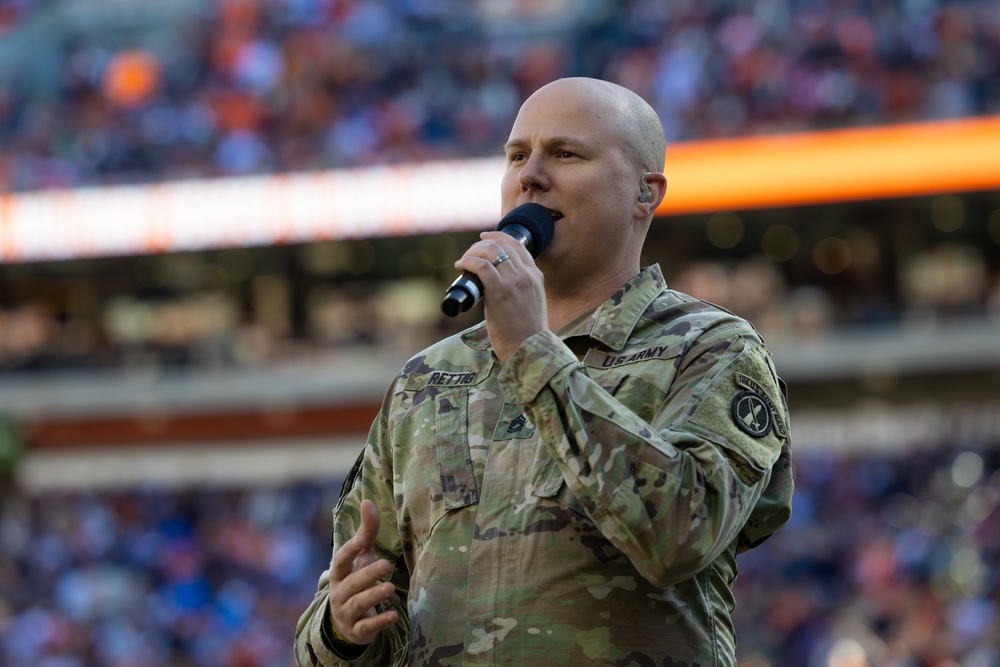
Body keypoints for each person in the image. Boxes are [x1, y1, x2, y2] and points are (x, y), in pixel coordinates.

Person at [294, 77, 794, 666]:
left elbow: (679, 537)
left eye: (565, 153)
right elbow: (337, 620)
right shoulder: (427, 379)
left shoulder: (711, 350)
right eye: (516, 155)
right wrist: (342, 632)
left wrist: (532, 349)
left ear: (645, 192)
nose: (529, 175)